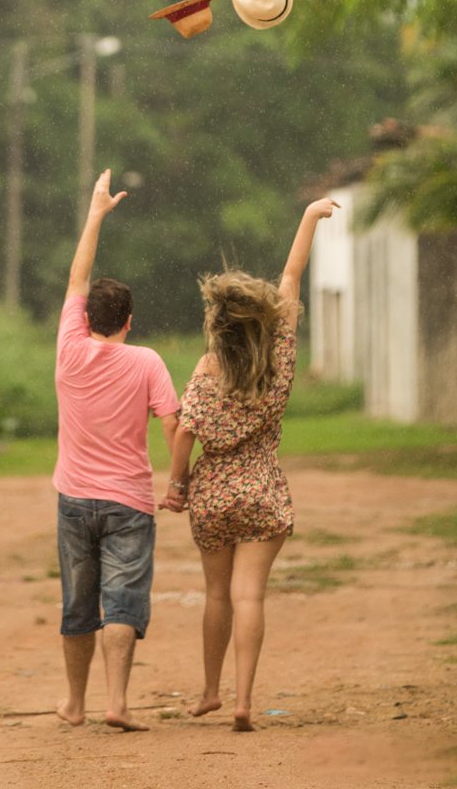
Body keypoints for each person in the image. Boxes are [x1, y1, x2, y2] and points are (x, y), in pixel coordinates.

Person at [160, 197, 339, 731]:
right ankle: (243, 700)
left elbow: (185, 432)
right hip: (262, 489)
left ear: (218, 326)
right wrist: (310, 215)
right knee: (249, 595)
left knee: (217, 595)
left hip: (213, 495)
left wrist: (176, 485)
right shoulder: (278, 357)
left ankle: (211, 692)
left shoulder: (208, 366)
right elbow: (291, 275)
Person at [54, 169, 180, 732]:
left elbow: (77, 278)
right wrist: (179, 483)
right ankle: (117, 703)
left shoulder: (69, 348)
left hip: (74, 500)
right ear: (130, 321)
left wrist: (95, 214)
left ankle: (75, 704)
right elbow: (174, 424)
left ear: (84, 319)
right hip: (130, 502)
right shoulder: (147, 361)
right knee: (122, 601)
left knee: (78, 605)